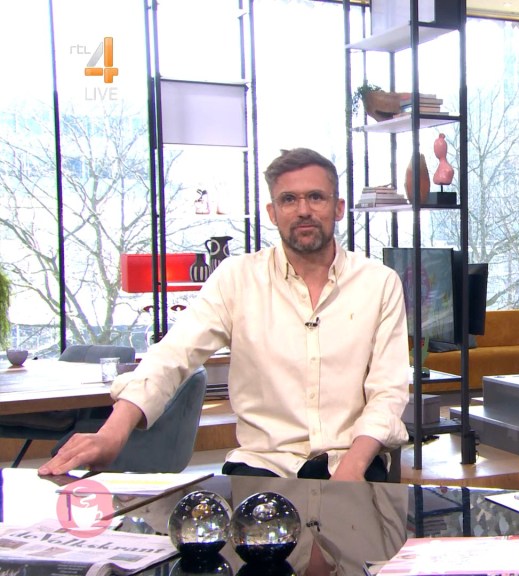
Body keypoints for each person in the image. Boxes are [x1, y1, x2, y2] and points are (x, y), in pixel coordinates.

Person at [40, 148, 410, 482]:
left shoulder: (379, 283)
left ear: (338, 207)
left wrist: (352, 469)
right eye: (288, 199)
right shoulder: (236, 278)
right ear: (272, 212)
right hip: (263, 464)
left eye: (316, 197)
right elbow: (173, 356)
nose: (303, 210)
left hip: (353, 462)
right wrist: (111, 435)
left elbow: (388, 391)